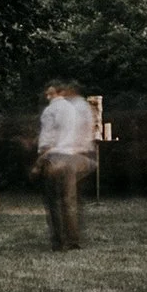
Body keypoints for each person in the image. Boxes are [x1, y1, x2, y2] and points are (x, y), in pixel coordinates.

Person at [35, 80, 97, 251]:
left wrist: (40, 158)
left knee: (54, 201)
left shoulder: (51, 110)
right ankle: (74, 240)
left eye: (49, 93)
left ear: (57, 93)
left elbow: (46, 137)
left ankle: (58, 242)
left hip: (54, 157)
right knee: (69, 201)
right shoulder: (72, 109)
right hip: (71, 156)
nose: (47, 97)